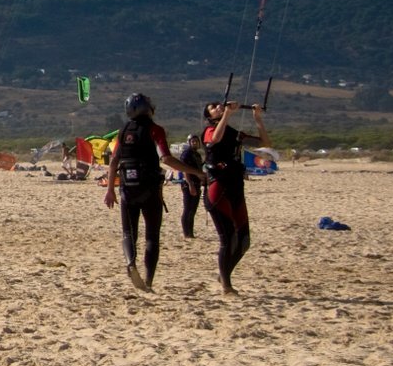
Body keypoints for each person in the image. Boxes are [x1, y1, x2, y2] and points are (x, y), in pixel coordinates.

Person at [103, 94, 203, 292]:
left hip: (127, 189)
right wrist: (196, 172)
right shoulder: (155, 129)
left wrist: (109, 191)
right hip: (150, 190)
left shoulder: (123, 131)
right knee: (152, 236)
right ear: (147, 108)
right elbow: (165, 158)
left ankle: (131, 262)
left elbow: (114, 162)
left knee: (128, 233)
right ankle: (148, 280)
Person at [203, 99, 269, 296]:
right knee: (228, 238)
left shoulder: (234, 133)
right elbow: (215, 139)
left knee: (244, 240)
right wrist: (227, 115)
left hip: (236, 189)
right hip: (218, 189)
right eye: (213, 107)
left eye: (219, 105)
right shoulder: (209, 130)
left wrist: (258, 119)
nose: (218, 107)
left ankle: (224, 273)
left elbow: (265, 144)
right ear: (209, 116)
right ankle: (226, 286)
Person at [174, 134, 204, 240]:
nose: (195, 143)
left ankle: (191, 233)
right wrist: (190, 184)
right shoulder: (186, 154)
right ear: (189, 143)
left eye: (196, 141)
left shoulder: (198, 155)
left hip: (197, 184)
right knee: (188, 209)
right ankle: (186, 233)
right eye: (193, 141)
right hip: (188, 184)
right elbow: (185, 170)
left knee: (193, 210)